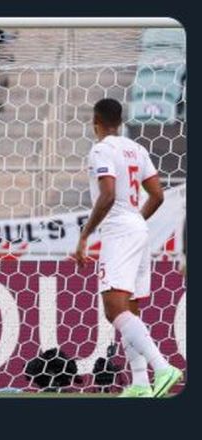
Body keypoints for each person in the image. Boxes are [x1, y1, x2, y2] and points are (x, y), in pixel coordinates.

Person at [73, 98, 182, 397]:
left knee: (114, 308)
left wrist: (85, 236)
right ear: (120, 121)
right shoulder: (137, 148)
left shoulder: (101, 149)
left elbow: (107, 194)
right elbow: (157, 195)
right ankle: (140, 383)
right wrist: (136, 219)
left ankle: (162, 367)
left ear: (95, 120)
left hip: (119, 232)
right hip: (137, 228)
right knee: (130, 308)